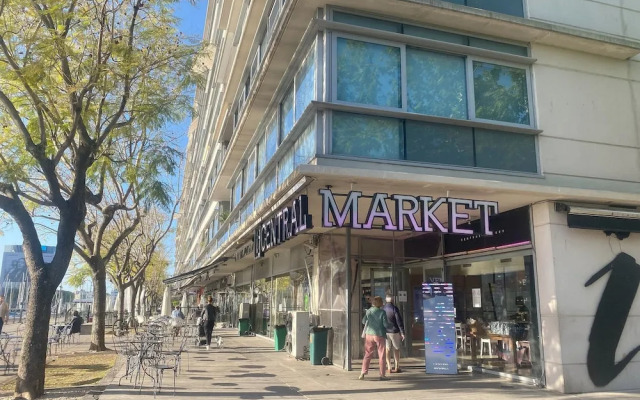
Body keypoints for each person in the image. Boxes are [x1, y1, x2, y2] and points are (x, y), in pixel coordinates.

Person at [359, 296, 390, 381]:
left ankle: (363, 372)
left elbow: (363, 321)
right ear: (380, 303)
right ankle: (382, 375)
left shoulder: (369, 311)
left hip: (369, 334)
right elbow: (385, 325)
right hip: (379, 335)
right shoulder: (382, 312)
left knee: (368, 353)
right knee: (382, 355)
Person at [383, 294, 405, 373]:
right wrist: (402, 332)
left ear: (386, 300)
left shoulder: (383, 309)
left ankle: (389, 367)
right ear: (392, 300)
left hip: (385, 332)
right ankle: (397, 366)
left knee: (387, 349)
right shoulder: (394, 308)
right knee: (396, 349)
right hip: (394, 331)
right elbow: (399, 321)